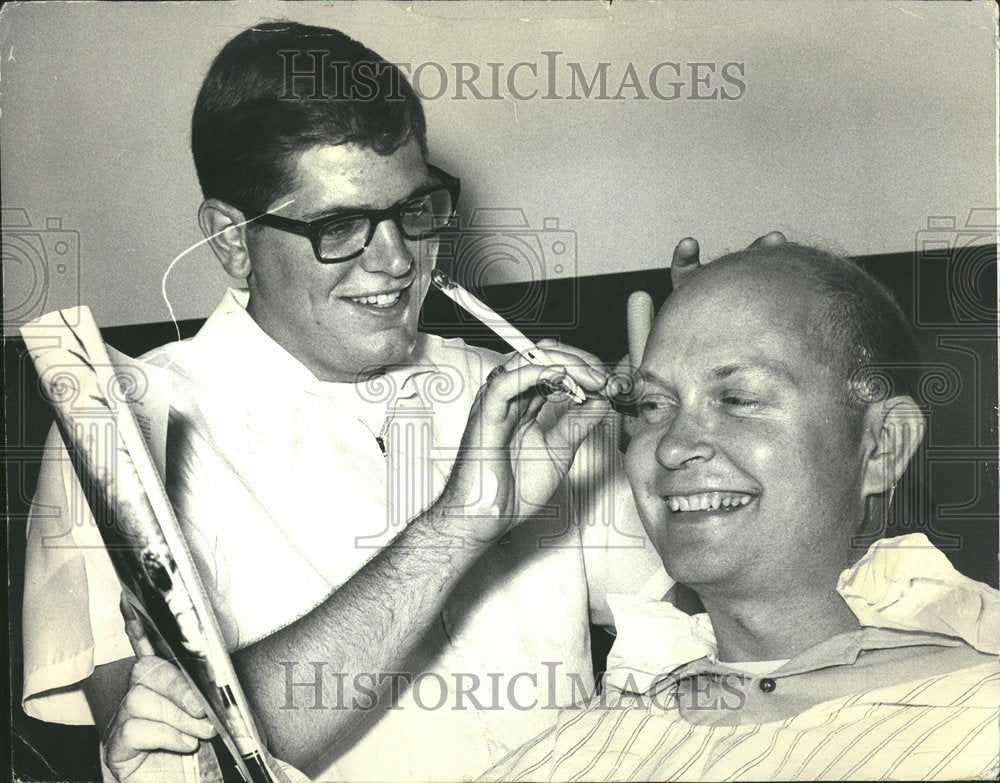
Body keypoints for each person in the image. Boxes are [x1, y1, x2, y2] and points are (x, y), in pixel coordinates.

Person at [20, 20, 737, 783]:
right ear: (232, 240)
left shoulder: (524, 393)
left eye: (415, 209)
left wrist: (693, 427)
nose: (398, 261)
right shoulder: (120, 431)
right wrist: (459, 526)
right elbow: (189, 762)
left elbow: (699, 624)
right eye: (340, 225)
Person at [485, 243, 1000, 781]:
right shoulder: (581, 751)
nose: (671, 445)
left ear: (882, 446)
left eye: (738, 399)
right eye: (655, 406)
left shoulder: (976, 723)